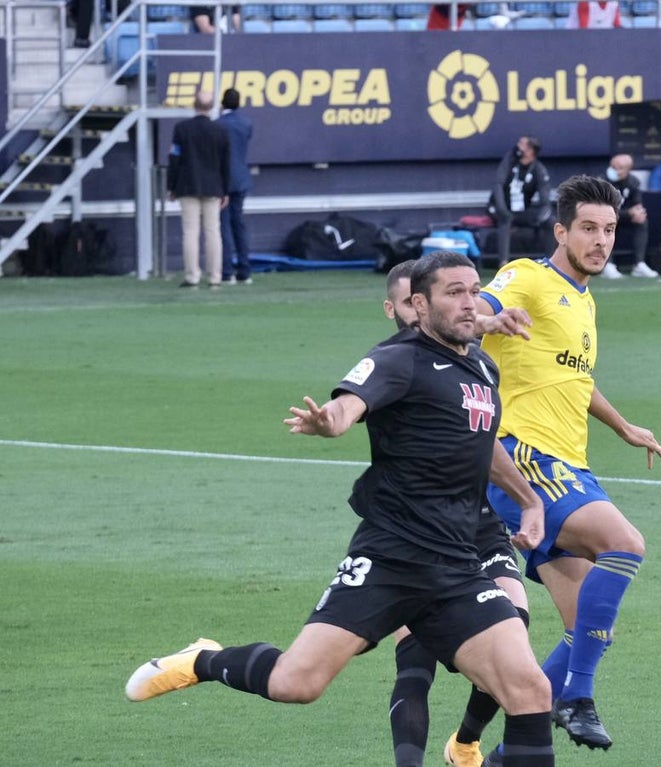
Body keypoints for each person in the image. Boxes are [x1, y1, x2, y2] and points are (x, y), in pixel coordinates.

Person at [124, 251, 557, 767]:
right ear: (418, 305)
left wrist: (530, 500)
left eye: (473, 289)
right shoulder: (399, 359)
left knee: (531, 691)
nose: (470, 302)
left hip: (457, 566)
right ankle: (202, 659)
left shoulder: (482, 366)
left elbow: (480, 443)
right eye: (454, 293)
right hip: (390, 559)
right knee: (296, 683)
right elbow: (350, 403)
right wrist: (330, 421)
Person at [478, 175, 661, 755]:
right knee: (626, 544)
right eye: (588, 228)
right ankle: (577, 697)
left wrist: (623, 426)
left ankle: (509, 750)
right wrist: (490, 320)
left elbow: (573, 379)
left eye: (609, 230)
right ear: (561, 230)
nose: (601, 240)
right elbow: (479, 307)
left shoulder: (584, 299)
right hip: (522, 458)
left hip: (569, 464)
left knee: (587, 626)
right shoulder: (528, 277)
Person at [378, 261, 532, 767]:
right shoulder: (393, 366)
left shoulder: (469, 357)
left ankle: (465, 741)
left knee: (516, 620)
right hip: (413, 532)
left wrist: (493, 320)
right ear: (398, 309)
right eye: (405, 306)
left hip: (478, 523)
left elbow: (473, 326)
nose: (414, 315)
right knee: (415, 655)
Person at [168, 90, 230, 289]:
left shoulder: (181, 129)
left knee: (190, 232)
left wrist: (172, 186)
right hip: (213, 187)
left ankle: (192, 276)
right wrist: (225, 190)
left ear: (194, 105)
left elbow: (174, 158)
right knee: (213, 232)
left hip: (187, 185)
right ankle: (215, 277)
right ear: (212, 107)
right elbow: (225, 163)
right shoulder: (220, 131)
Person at [488, 136, 553, 268]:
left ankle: (551, 263)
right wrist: (502, 209)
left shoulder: (538, 169)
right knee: (505, 220)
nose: (518, 146)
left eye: (522, 144)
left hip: (521, 211)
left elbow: (545, 199)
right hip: (500, 208)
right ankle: (503, 263)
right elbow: (498, 184)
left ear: (531, 151)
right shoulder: (510, 161)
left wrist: (542, 216)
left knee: (551, 222)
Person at [217, 88, 254, 285]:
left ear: (223, 103)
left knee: (223, 226)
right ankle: (245, 271)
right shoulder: (246, 123)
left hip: (223, 181)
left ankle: (226, 271)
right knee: (238, 224)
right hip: (240, 179)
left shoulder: (218, 125)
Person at [600, 153, 656, 279]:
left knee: (642, 221)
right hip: (605, 218)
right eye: (612, 166)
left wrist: (639, 213)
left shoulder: (633, 182)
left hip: (622, 217)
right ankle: (608, 264)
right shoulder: (602, 183)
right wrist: (629, 212)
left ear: (627, 170)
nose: (613, 170)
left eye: (618, 167)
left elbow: (637, 204)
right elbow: (602, 210)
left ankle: (639, 264)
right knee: (605, 225)